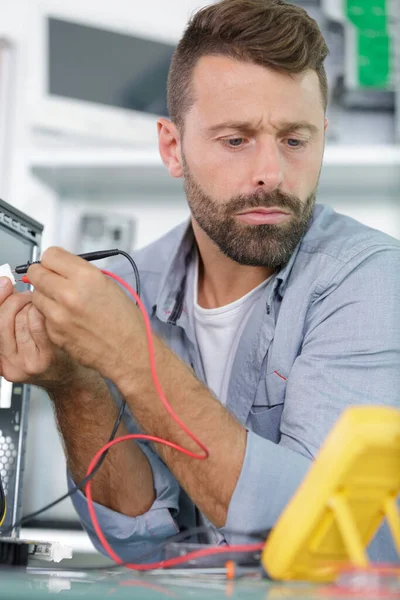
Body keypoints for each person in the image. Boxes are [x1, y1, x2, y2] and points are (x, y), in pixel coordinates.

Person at [0, 0, 399, 564]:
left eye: (295, 139)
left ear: (323, 137)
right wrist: (75, 382)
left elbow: (323, 538)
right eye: (236, 140)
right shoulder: (128, 285)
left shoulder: (372, 279)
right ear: (172, 147)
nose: (272, 172)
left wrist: (133, 356)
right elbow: (138, 545)